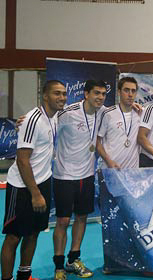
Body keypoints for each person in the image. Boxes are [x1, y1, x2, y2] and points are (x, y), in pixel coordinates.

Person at [1, 80, 67, 280]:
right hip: (22, 186)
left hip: (43, 182)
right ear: (45, 95)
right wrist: (35, 194)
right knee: (14, 236)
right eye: (57, 93)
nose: (62, 97)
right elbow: (22, 160)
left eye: (64, 93)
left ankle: (24, 275)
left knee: (34, 232)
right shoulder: (33, 119)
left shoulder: (54, 117)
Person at [52, 80, 107, 279]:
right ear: (86, 94)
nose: (100, 97)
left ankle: (73, 259)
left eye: (103, 94)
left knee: (82, 217)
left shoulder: (103, 112)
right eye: (96, 93)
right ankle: (58, 266)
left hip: (87, 174)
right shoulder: (68, 113)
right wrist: (24, 120)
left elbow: (123, 111)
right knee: (63, 220)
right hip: (64, 175)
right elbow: (47, 117)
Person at [96, 77, 141, 169]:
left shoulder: (140, 113)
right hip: (110, 169)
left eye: (133, 91)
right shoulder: (108, 113)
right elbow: (97, 141)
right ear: (119, 92)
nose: (130, 94)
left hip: (132, 172)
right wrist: (109, 162)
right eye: (126, 90)